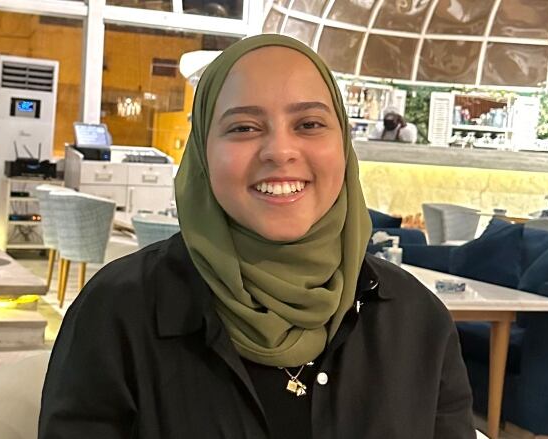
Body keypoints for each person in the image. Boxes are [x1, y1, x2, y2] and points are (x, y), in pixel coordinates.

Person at [39, 34, 473, 438]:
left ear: (344, 144)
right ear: (202, 154)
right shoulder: (118, 313)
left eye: (309, 124)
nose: (280, 152)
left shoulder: (419, 322)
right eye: (244, 127)